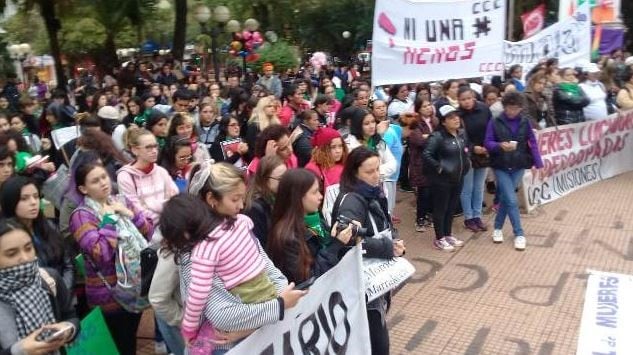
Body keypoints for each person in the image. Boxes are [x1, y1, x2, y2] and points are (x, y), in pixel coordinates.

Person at [180, 162, 306, 354]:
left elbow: (268, 269)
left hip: (259, 335)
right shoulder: (197, 250)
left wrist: (279, 298)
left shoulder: (238, 225)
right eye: (235, 199)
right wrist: (278, 306)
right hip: (227, 346)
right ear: (211, 199)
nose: (241, 205)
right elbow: (221, 315)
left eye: (242, 197)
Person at [69, 162, 154, 354]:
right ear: (83, 189)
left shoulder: (120, 200)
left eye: (104, 177)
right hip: (110, 295)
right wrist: (109, 220)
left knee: (130, 338)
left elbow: (149, 232)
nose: (103, 183)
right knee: (119, 343)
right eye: (95, 181)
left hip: (137, 286)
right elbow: (101, 254)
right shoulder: (82, 216)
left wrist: (129, 214)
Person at [331, 147, 406, 355]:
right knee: (376, 342)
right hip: (362, 284)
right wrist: (386, 247)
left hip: (376, 281)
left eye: (377, 168)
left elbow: (384, 222)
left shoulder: (374, 192)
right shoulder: (352, 201)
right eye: (369, 171)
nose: (376, 175)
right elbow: (346, 242)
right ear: (355, 172)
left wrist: (394, 239)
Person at [0, 219, 79, 355]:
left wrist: (68, 329)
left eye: (28, 248)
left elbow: (70, 315)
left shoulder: (48, 278)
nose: (25, 258)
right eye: (12, 254)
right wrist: (18, 351)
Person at [267, 168, 353, 283]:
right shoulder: (287, 237)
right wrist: (336, 245)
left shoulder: (315, 220)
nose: (320, 196)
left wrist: (348, 235)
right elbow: (309, 279)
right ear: (298, 197)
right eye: (314, 192)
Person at [484, 92, 543, 251]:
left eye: (516, 108)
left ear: (521, 108)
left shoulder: (525, 121)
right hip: (500, 165)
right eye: (509, 108)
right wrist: (499, 145)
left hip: (518, 165)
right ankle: (519, 233)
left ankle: (497, 228)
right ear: (504, 107)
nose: (512, 111)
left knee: (505, 198)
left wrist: (539, 164)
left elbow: (532, 143)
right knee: (511, 200)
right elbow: (487, 142)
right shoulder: (495, 121)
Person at [0, 176, 74, 289]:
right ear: (10, 202)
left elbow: (68, 264)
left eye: (36, 196)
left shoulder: (49, 226)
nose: (33, 202)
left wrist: (62, 292)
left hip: (64, 297)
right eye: (24, 199)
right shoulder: (6, 238)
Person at [423, 105, 471, 251]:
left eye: (456, 116)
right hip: (442, 181)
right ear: (443, 122)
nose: (456, 119)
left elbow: (465, 151)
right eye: (451, 117)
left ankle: (448, 234)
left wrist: (467, 161)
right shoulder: (437, 137)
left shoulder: (461, 134)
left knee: (451, 208)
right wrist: (439, 167)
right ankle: (439, 238)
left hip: (458, 177)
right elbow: (426, 154)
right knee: (441, 208)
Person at [117, 127, 179, 227]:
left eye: (155, 146)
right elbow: (136, 212)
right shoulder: (125, 176)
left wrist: (148, 204)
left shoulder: (161, 171)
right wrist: (165, 213)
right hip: (147, 235)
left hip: (169, 230)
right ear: (135, 150)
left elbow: (175, 201)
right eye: (148, 147)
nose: (154, 151)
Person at [457, 87, 491, 233]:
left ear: (473, 97)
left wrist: (489, 145)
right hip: (467, 155)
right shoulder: (457, 115)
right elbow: (458, 135)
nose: (467, 102)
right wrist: (472, 148)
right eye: (463, 99)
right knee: (467, 188)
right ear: (459, 100)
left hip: (484, 153)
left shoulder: (483, 109)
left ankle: (477, 216)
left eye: (468, 98)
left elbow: (491, 128)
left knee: (479, 187)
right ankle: (468, 217)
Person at [409, 97, 438, 232]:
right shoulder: (415, 123)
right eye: (424, 106)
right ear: (419, 109)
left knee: (432, 191)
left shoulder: (435, 121)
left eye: (429, 105)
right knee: (423, 192)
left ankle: (430, 215)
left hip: (434, 161)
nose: (428, 108)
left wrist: (429, 136)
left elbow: (440, 137)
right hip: (420, 163)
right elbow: (419, 141)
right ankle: (420, 218)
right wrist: (430, 137)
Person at [344, 108, 397, 182]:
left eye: (373, 122)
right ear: (357, 125)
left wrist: (373, 172)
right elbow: (353, 172)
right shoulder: (348, 145)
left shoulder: (378, 141)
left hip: (379, 185)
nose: (372, 126)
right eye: (366, 123)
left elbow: (392, 164)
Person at [244, 155, 286, 247]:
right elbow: (260, 245)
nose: (285, 182)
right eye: (280, 179)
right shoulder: (254, 208)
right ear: (265, 180)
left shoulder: (278, 197)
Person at [305, 127, 348, 192]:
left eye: (340, 146)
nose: (338, 151)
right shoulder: (313, 168)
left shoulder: (344, 164)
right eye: (333, 147)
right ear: (323, 149)